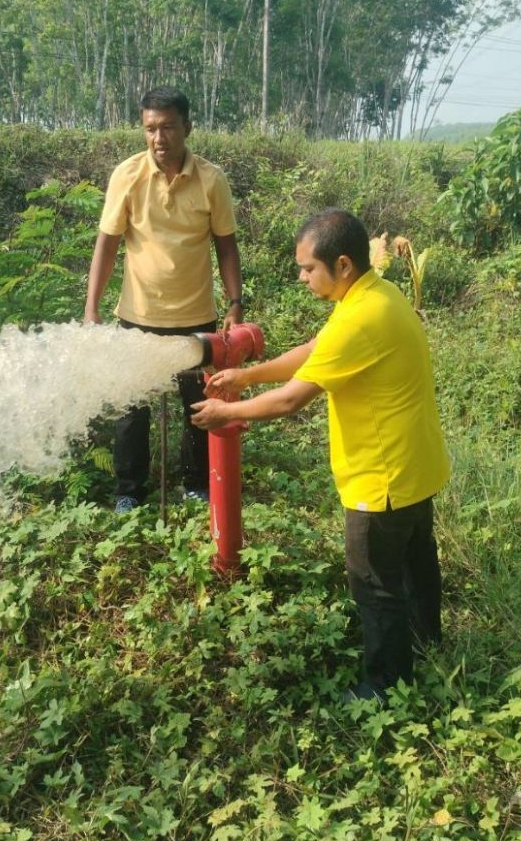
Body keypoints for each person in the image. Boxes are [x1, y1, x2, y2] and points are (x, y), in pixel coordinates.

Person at [190, 209, 449, 702]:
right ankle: (424, 639)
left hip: (382, 476)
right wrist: (245, 376)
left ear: (344, 264)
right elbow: (315, 349)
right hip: (417, 462)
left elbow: (292, 400)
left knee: (372, 580)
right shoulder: (377, 296)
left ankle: (385, 685)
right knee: (416, 559)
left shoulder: (360, 319)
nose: (302, 277)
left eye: (309, 268)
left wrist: (226, 413)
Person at [84, 87, 244, 512]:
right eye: (150, 129)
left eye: (168, 127)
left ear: (187, 127)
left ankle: (195, 483)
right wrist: (91, 308)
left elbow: (226, 246)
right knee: (131, 412)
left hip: (196, 318)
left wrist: (234, 302)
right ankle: (129, 492)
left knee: (198, 407)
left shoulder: (212, 180)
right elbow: (107, 244)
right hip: (137, 316)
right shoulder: (127, 175)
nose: (159, 138)